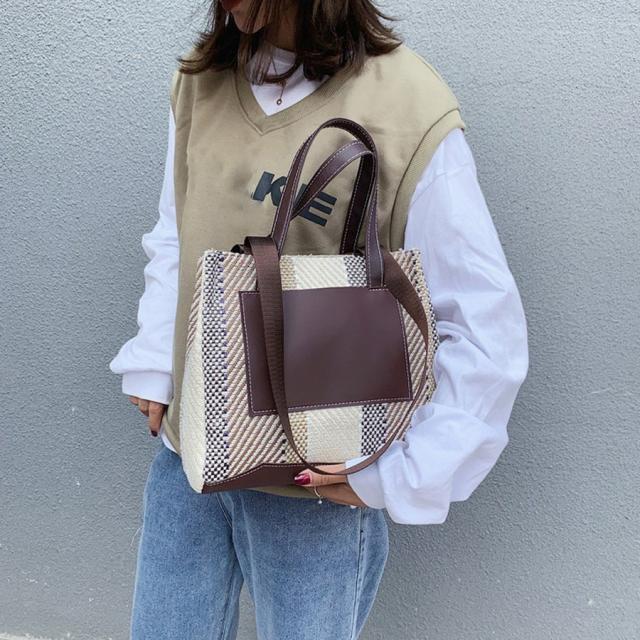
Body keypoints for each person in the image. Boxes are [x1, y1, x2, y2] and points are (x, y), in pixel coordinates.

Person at [109, 1, 529, 637]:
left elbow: (483, 322)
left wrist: (403, 473)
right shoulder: (203, 79)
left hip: (313, 491)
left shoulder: (407, 106)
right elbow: (177, 230)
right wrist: (154, 361)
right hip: (186, 460)